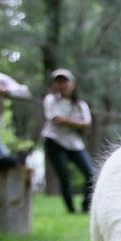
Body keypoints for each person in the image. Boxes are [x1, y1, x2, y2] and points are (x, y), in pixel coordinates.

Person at [42, 68, 95, 213]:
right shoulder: (50, 100)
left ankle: (86, 207)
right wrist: (78, 123)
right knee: (64, 176)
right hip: (54, 140)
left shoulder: (80, 105)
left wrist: (70, 122)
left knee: (91, 174)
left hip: (74, 143)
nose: (61, 85)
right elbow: (57, 119)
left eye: (64, 81)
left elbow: (87, 123)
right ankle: (71, 209)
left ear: (72, 84)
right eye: (58, 82)